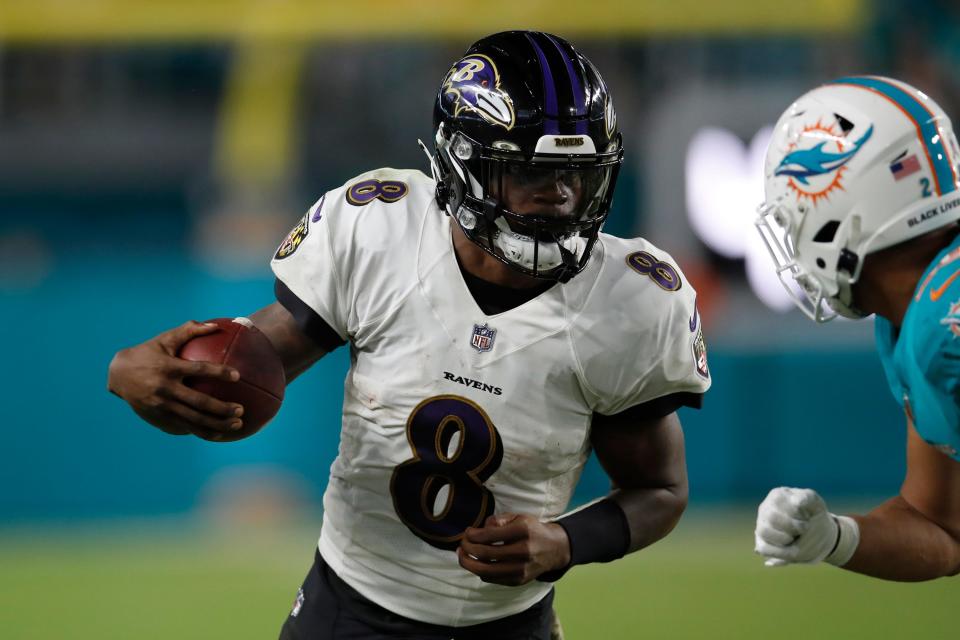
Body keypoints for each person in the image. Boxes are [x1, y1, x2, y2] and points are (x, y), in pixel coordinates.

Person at [108, 31, 711, 638]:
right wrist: (147, 376)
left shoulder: (630, 299)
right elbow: (240, 374)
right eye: (529, 170)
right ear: (461, 165)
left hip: (509, 625)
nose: (558, 195)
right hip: (347, 608)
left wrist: (564, 541)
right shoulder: (380, 228)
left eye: (575, 174)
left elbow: (658, 488)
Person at [754, 76, 960, 580]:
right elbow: (943, 526)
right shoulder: (912, 320)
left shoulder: (942, 326)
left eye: (794, 221)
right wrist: (836, 537)